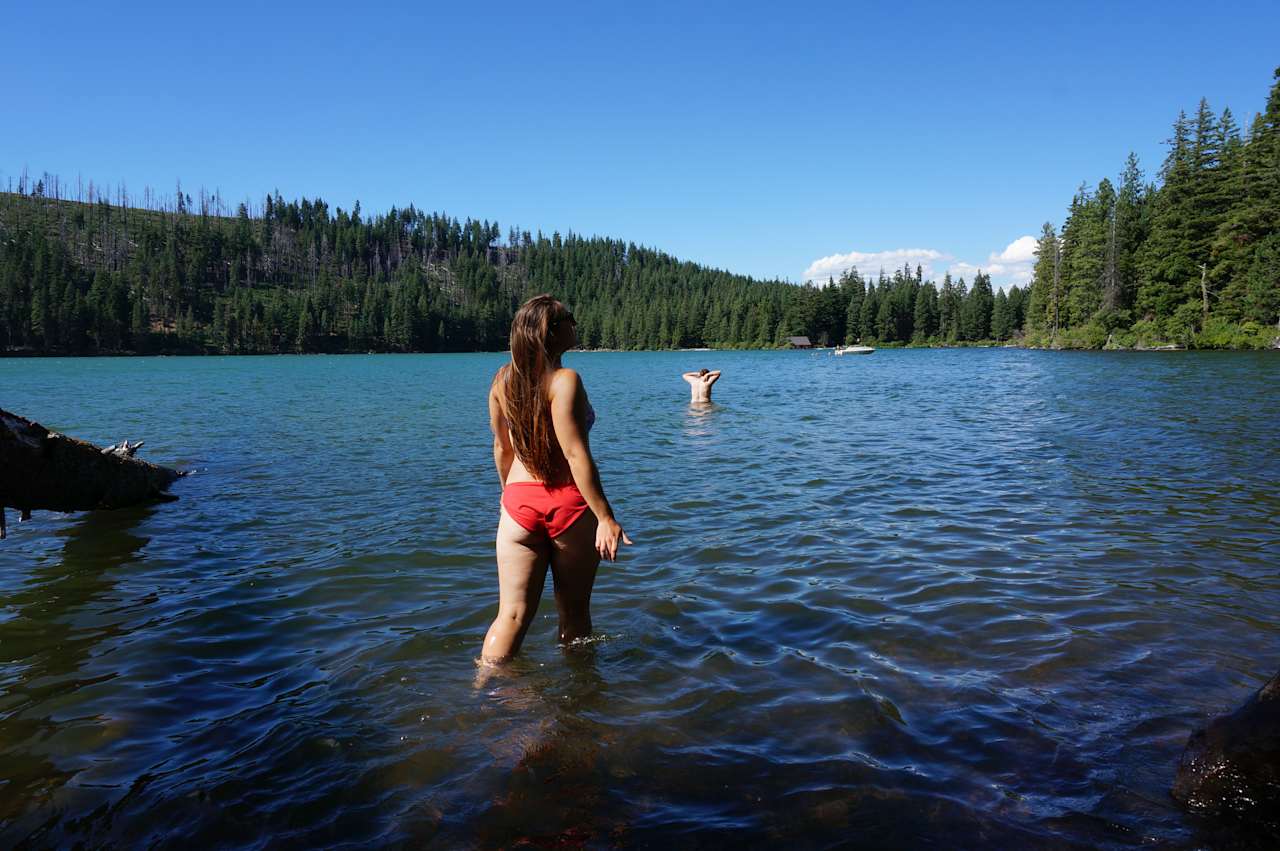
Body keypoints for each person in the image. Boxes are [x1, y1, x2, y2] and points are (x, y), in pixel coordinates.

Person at [481, 295, 632, 665]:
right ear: (553, 331)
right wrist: (606, 518)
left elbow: (502, 449)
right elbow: (575, 454)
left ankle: (484, 689)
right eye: (570, 318)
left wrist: (510, 498)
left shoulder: (501, 381)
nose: (575, 326)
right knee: (575, 616)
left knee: (512, 615)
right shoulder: (566, 381)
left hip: (517, 503)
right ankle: (579, 703)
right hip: (567, 503)